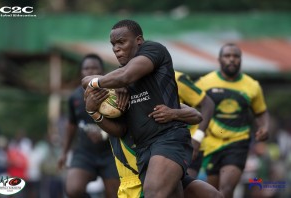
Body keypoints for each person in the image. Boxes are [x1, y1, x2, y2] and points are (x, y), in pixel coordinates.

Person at [82, 19, 194, 198]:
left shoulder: (154, 50)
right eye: (113, 44)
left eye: (121, 42)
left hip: (168, 138)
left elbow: (125, 75)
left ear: (139, 40)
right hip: (144, 151)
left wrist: (101, 82)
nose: (116, 48)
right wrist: (94, 111)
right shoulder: (118, 82)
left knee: (153, 194)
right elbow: (121, 129)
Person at [85, 87, 223, 198]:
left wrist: (173, 113)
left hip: (164, 169)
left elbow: (197, 115)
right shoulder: (115, 113)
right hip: (136, 183)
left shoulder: (152, 99)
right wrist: (94, 111)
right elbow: (88, 80)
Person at [195, 43, 270, 198]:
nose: (231, 60)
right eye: (227, 56)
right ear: (219, 59)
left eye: (235, 56)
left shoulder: (252, 86)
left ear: (241, 60)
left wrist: (265, 127)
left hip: (238, 142)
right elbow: (190, 106)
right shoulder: (204, 82)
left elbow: (261, 112)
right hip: (211, 143)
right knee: (212, 192)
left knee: (227, 189)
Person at [58, 54, 119, 198]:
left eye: (94, 68)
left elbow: (123, 124)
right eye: (86, 68)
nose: (90, 71)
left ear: (102, 71)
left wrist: (104, 134)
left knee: (115, 195)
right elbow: (71, 125)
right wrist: (64, 152)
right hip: (84, 153)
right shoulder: (74, 97)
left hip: (110, 153)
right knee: (73, 190)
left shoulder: (113, 94)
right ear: (81, 72)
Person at [175, 71, 215, 177]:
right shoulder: (134, 80)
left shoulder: (176, 78)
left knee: (186, 189)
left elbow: (208, 104)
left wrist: (197, 138)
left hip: (187, 144)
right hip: (156, 145)